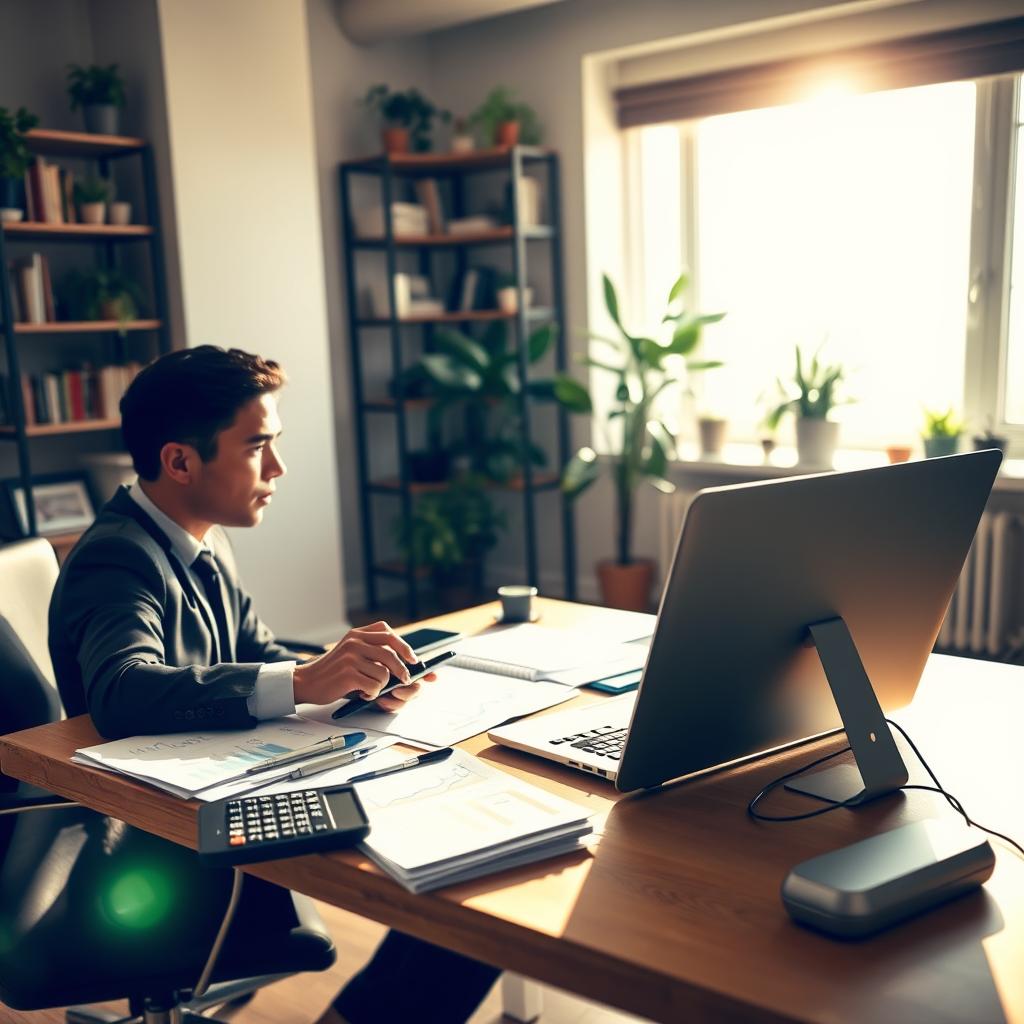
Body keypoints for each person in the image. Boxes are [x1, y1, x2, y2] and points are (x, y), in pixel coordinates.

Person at [49, 345, 500, 1024]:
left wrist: (346, 676)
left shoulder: (196, 537)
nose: (278, 468)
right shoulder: (119, 556)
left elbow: (259, 652)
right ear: (179, 461)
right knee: (474, 884)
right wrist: (302, 679)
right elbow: (122, 690)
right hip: (160, 843)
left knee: (470, 867)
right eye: (258, 445)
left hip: (222, 792)